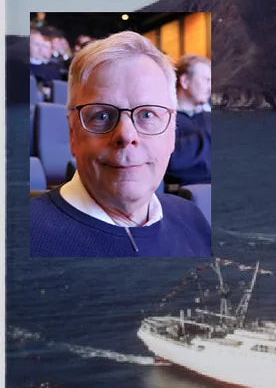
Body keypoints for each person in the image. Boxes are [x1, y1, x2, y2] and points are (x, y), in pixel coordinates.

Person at [29, 31, 211, 257]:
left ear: (172, 134)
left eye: (147, 115)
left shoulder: (193, 219)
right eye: (102, 115)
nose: (126, 135)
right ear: (72, 133)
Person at [165, 54, 211, 187]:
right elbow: (171, 161)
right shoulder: (165, 119)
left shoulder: (208, 117)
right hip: (190, 192)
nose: (210, 87)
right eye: (206, 80)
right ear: (185, 81)